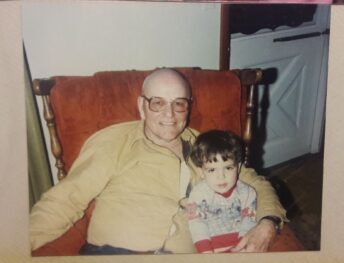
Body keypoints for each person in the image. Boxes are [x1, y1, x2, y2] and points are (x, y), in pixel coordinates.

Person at [30, 68, 286, 255]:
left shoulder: (204, 145)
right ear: (142, 106)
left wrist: (268, 223)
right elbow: (65, 199)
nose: (169, 114)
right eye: (158, 103)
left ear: (189, 107)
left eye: (179, 104)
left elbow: (252, 181)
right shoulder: (114, 141)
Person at [186, 130, 258, 253]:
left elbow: (249, 221)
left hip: (242, 247)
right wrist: (207, 253)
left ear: (238, 167)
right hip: (210, 250)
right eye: (212, 170)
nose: (221, 176)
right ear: (201, 172)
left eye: (228, 168)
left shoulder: (248, 193)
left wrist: (242, 247)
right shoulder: (198, 194)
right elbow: (197, 224)